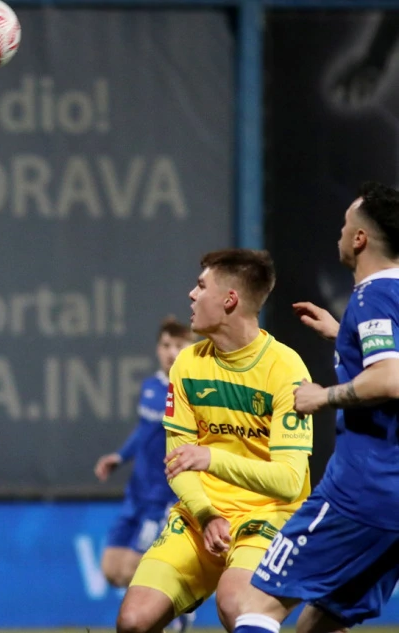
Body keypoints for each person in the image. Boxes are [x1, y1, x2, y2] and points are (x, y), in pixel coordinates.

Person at [116, 249, 314, 633]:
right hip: (200, 516)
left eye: (201, 286)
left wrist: (212, 459)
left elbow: (290, 481)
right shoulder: (187, 365)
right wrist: (206, 513)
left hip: (266, 517)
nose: (191, 294)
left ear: (229, 300)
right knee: (132, 621)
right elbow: (177, 462)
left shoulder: (285, 368)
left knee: (235, 605)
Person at [232, 182, 399, 633]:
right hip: (392, 502)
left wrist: (321, 396)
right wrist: (344, 334)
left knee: (257, 603)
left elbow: (390, 378)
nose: (340, 234)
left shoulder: (373, 296)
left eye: (346, 225)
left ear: (360, 239)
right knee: (324, 618)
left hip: (362, 491)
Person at [94, 317, 193, 629]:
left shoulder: (191, 392)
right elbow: (144, 431)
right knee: (112, 570)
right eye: (165, 345)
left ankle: (176, 614)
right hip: (136, 495)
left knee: (140, 571)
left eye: (178, 345)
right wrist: (119, 456)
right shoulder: (151, 387)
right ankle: (179, 606)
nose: (170, 352)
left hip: (164, 499)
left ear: (191, 348)